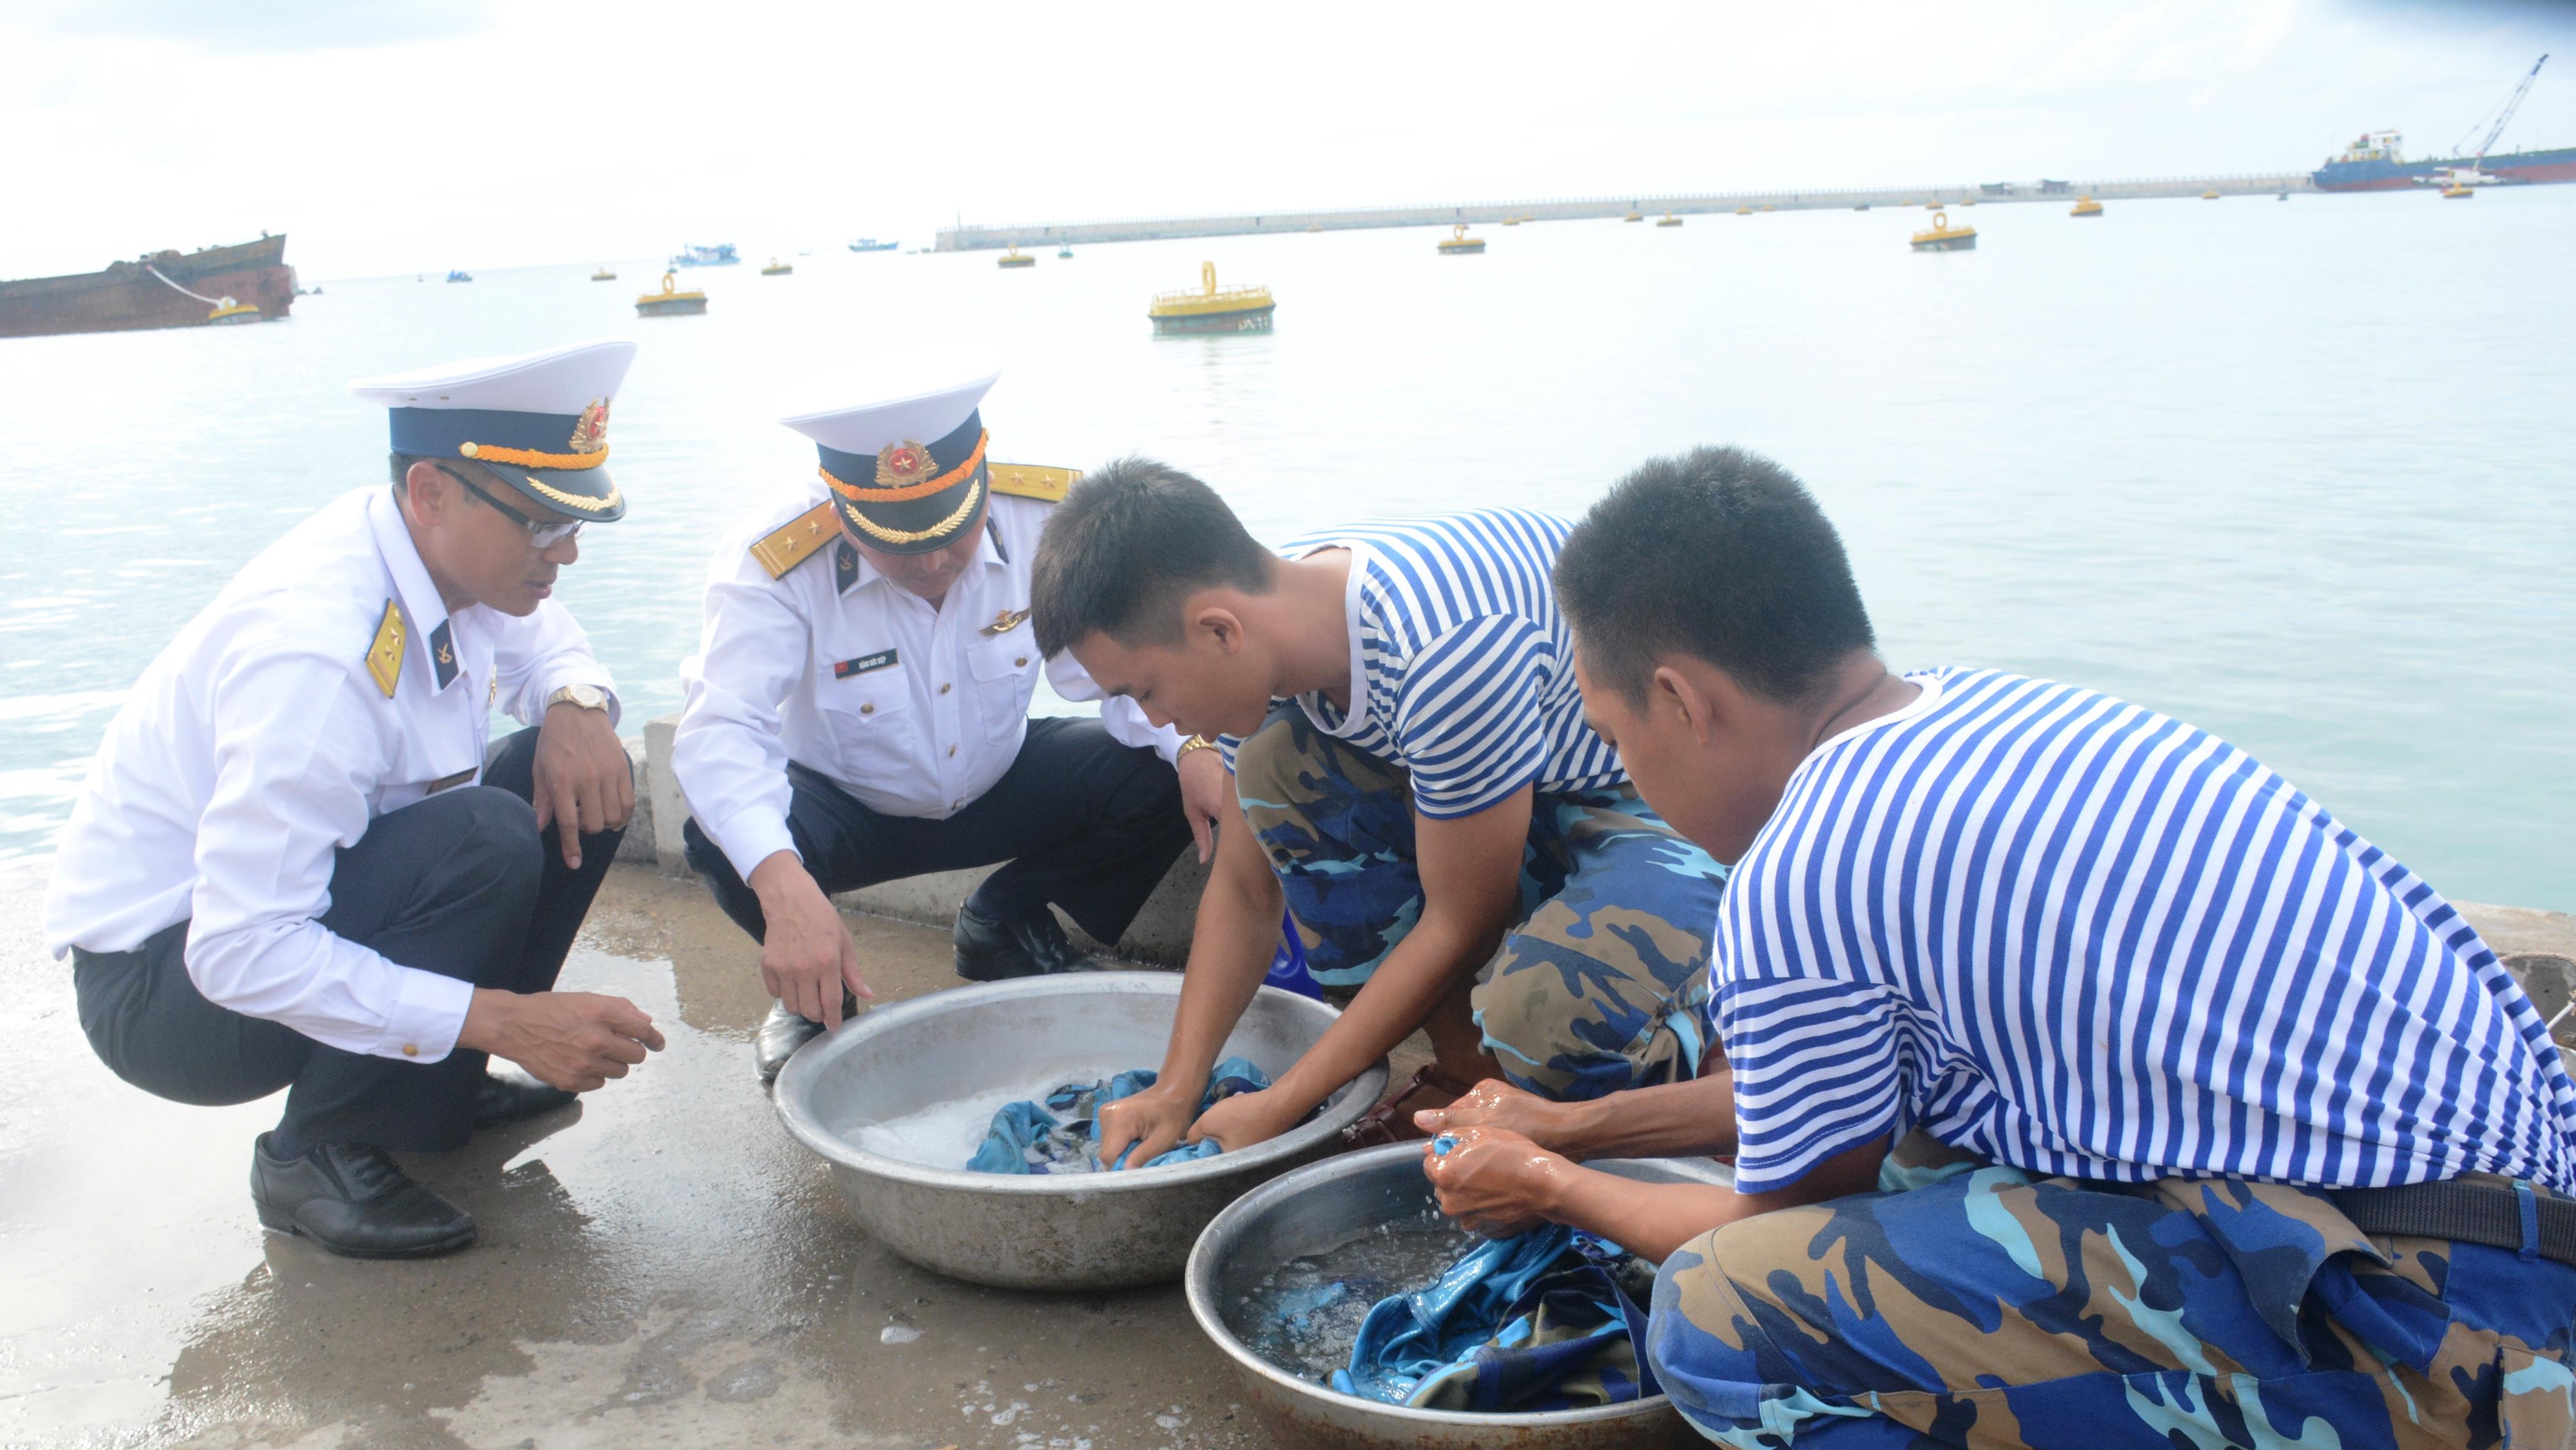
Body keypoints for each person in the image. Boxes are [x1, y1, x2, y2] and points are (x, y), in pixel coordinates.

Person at [1421, 445, 2576, 1450]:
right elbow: (1826, 1119)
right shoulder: (1991, 717)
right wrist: (1573, 1127)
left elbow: (1756, 1229)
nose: (1627, 775)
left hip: (2420, 1324)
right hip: (2525, 1229)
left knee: (1722, 1333)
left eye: (1615, 740)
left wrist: (1542, 1186)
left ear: (1677, 698)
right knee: (1916, 1179)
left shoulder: (1802, 873)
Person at [44, 341, 666, 1259]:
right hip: (164, 988)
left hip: (263, 923)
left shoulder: (437, 552)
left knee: (574, 771)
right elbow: (242, 950)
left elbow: (545, 637)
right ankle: (312, 1156)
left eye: (572, 524)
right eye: (541, 525)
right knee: (485, 837)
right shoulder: (317, 654)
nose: (565, 553)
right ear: (430, 493)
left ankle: (435, 1085)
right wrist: (502, 1020)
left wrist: (577, 703)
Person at [1026, 458, 1729, 1170]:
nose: (1155, 720)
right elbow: (1244, 889)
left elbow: (1463, 921)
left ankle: (1669, 1098)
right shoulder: (1266, 620)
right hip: (1517, 774)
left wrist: (1282, 1104)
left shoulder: (1445, 652)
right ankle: (1466, 1077)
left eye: (1146, 690)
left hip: (1655, 792)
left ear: (1218, 631)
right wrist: (1178, 1089)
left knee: (1546, 1014)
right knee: (1278, 765)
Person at [673, 370, 1221, 1081]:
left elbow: (1115, 673)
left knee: (1160, 771)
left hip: (999, 780)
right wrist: (783, 888)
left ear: (984, 484)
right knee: (723, 836)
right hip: (845, 809)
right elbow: (721, 729)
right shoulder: (772, 560)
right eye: (897, 542)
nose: (931, 560)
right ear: (841, 511)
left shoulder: (1049, 519)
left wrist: (1196, 747)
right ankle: (817, 996)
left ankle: (1003, 922)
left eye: (950, 532)